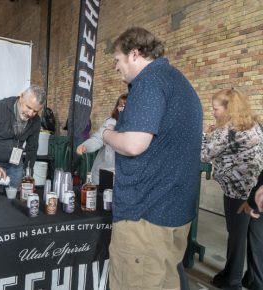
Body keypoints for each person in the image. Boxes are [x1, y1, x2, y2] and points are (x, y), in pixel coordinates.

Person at [102, 27, 203, 290]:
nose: (116, 67)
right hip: (174, 212)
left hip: (145, 216)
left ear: (134, 54)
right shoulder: (177, 81)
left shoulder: (149, 81)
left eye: (117, 59)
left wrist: (108, 134)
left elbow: (134, 144)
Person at [200, 88, 263, 290]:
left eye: (216, 109)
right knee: (255, 238)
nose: (214, 113)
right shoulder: (256, 125)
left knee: (236, 237)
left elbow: (203, 155)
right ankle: (254, 281)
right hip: (258, 191)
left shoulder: (226, 130)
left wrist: (204, 134)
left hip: (238, 192)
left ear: (228, 109)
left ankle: (232, 282)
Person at [0, 85, 46, 188]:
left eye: (35, 111)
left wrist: (28, 175)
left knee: (12, 201)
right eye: (28, 107)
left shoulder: (36, 121)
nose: (30, 114)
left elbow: (32, 149)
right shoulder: (0, 108)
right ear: (21, 97)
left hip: (15, 167)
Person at [76, 93, 127, 185]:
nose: (122, 109)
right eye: (120, 106)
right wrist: (85, 146)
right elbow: (97, 139)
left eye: (126, 106)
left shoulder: (138, 129)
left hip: (123, 177)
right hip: (103, 174)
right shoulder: (110, 122)